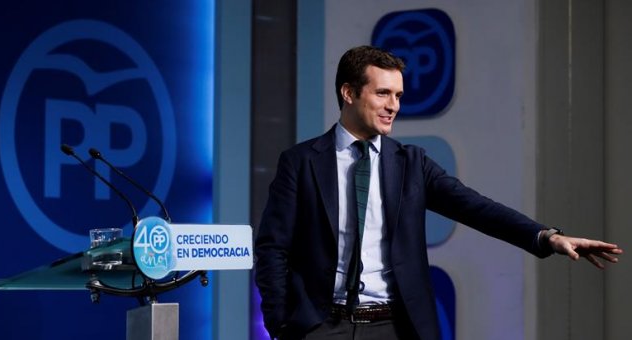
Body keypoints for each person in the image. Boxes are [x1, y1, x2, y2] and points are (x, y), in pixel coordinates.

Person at [254, 45, 623, 340]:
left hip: (395, 326)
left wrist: (546, 237)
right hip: (320, 327)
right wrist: (282, 325)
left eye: (398, 95)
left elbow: (476, 208)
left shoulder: (412, 164)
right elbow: (273, 248)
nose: (393, 106)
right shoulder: (301, 162)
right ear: (348, 93)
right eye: (383, 93)